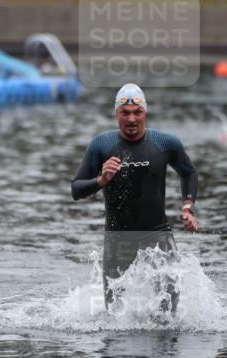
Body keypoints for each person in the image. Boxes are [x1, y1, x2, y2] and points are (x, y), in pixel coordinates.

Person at [71, 84, 199, 314]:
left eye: (137, 112)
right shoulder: (101, 145)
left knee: (170, 309)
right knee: (114, 314)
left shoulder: (165, 144)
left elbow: (188, 172)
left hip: (158, 234)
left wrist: (188, 207)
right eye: (125, 112)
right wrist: (100, 180)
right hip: (117, 238)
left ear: (145, 113)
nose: (131, 119)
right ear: (116, 114)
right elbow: (76, 189)